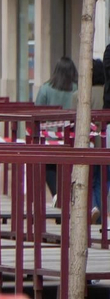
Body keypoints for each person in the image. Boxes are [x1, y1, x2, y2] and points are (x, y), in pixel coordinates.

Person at [36, 56, 101, 221]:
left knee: (49, 168)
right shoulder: (77, 89)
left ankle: (58, 196)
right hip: (71, 140)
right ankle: (68, 202)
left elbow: (37, 114)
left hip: (49, 139)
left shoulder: (45, 89)